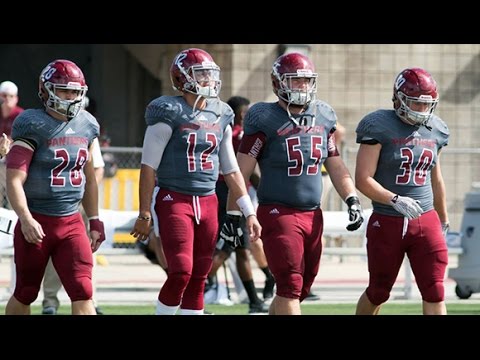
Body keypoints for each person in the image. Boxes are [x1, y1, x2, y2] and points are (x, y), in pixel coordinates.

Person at [222, 52, 365, 315]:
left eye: (306, 80)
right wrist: (234, 212)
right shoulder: (264, 117)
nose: (302, 86)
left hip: (313, 214)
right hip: (278, 211)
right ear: (278, 83)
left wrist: (352, 199)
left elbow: (335, 163)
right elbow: (241, 170)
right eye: (295, 81)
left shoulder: (323, 115)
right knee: (289, 284)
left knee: (298, 290)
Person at [130, 48, 261, 315]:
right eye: (200, 74)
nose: (208, 80)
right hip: (173, 198)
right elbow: (148, 166)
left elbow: (231, 168)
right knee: (180, 271)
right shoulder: (168, 111)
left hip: (208, 200)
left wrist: (248, 211)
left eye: (210, 74)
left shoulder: (221, 113)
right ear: (182, 78)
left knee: (200, 275)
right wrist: (144, 212)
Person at [4, 59, 106, 315]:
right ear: (46, 90)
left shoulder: (88, 124)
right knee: (26, 292)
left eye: (74, 91)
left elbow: (89, 177)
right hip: (37, 221)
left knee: (83, 289)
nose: (70, 96)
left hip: (71, 222)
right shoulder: (31, 123)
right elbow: (14, 178)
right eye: (63, 90)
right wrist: (25, 219)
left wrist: (94, 219)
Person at [354, 67, 449, 315]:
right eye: (415, 103)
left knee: (434, 289)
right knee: (379, 290)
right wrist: (394, 199)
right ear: (398, 98)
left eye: (425, 104)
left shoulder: (436, 128)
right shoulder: (378, 125)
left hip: (426, 219)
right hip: (388, 219)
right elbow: (363, 179)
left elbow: (436, 180)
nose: (421, 109)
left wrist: (444, 220)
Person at [207, 96, 272, 314]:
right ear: (240, 114)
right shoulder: (239, 134)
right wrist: (267, 192)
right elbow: (248, 171)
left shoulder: (221, 130)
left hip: (221, 191)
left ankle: (256, 296)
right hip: (231, 193)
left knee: (239, 248)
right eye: (245, 113)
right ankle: (198, 287)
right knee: (229, 248)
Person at [41, 136, 105, 315]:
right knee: (53, 249)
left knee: (86, 252)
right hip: (55, 203)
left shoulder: (87, 129)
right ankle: (50, 302)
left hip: (79, 203)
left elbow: (97, 170)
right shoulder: (49, 128)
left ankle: (89, 300)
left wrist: (83, 194)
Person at [0, 81, 24, 208]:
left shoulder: (21, 115)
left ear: (16, 98)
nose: (7, 99)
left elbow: (20, 138)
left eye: (11, 96)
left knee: (12, 200)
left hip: (13, 163)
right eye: (4, 95)